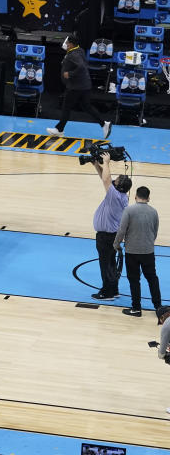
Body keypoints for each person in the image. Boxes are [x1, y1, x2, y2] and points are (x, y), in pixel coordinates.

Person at [46, 34, 112, 138]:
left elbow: (81, 66)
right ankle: (104, 124)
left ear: (71, 44)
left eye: (67, 43)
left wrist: (70, 74)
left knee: (66, 107)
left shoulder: (74, 55)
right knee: (87, 106)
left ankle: (59, 129)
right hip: (84, 85)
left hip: (76, 87)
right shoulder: (78, 50)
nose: (66, 44)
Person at [114, 186, 162, 318]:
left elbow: (122, 230)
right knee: (152, 278)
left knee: (134, 280)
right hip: (148, 251)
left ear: (135, 196)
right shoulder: (154, 211)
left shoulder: (129, 210)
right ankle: (158, 307)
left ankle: (136, 308)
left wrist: (116, 244)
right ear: (148, 198)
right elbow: (155, 231)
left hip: (132, 252)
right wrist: (148, 243)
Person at [90, 152, 131, 300]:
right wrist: (96, 166)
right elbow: (105, 179)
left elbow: (106, 179)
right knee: (111, 263)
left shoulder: (115, 195)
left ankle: (107, 292)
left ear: (118, 186)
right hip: (112, 235)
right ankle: (113, 290)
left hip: (106, 236)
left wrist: (106, 163)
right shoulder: (121, 195)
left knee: (105, 264)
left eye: (117, 180)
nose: (114, 180)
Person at [157, 306, 170, 415]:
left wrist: (162, 355)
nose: (161, 323)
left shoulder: (167, 323)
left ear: (163, 316)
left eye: (160, 320)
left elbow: (162, 349)